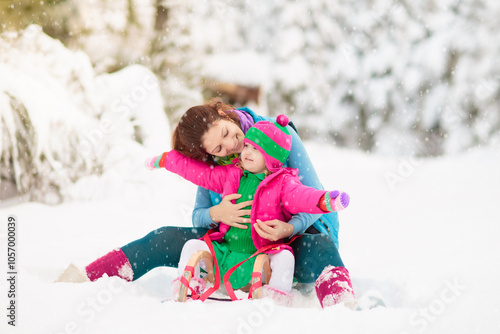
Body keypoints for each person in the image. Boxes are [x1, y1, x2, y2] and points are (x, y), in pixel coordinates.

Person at [57, 100, 354, 308]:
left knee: (321, 249)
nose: (233, 146)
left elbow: (314, 198)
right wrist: (216, 213)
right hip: (233, 247)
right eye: (219, 148)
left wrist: (289, 227)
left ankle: (343, 307)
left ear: (223, 113)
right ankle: (88, 276)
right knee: (164, 237)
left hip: (293, 240)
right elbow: (199, 216)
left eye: (227, 133)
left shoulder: (277, 136)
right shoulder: (215, 165)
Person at [145, 114, 350, 306]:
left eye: (256, 150)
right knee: (191, 245)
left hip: (263, 252)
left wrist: (326, 201)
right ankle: (191, 286)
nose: (246, 152)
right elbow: (198, 173)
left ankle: (276, 298)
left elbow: (304, 196)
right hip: (227, 250)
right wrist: (166, 160)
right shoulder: (232, 174)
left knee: (285, 258)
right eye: (248, 147)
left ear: (271, 157)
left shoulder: (283, 183)